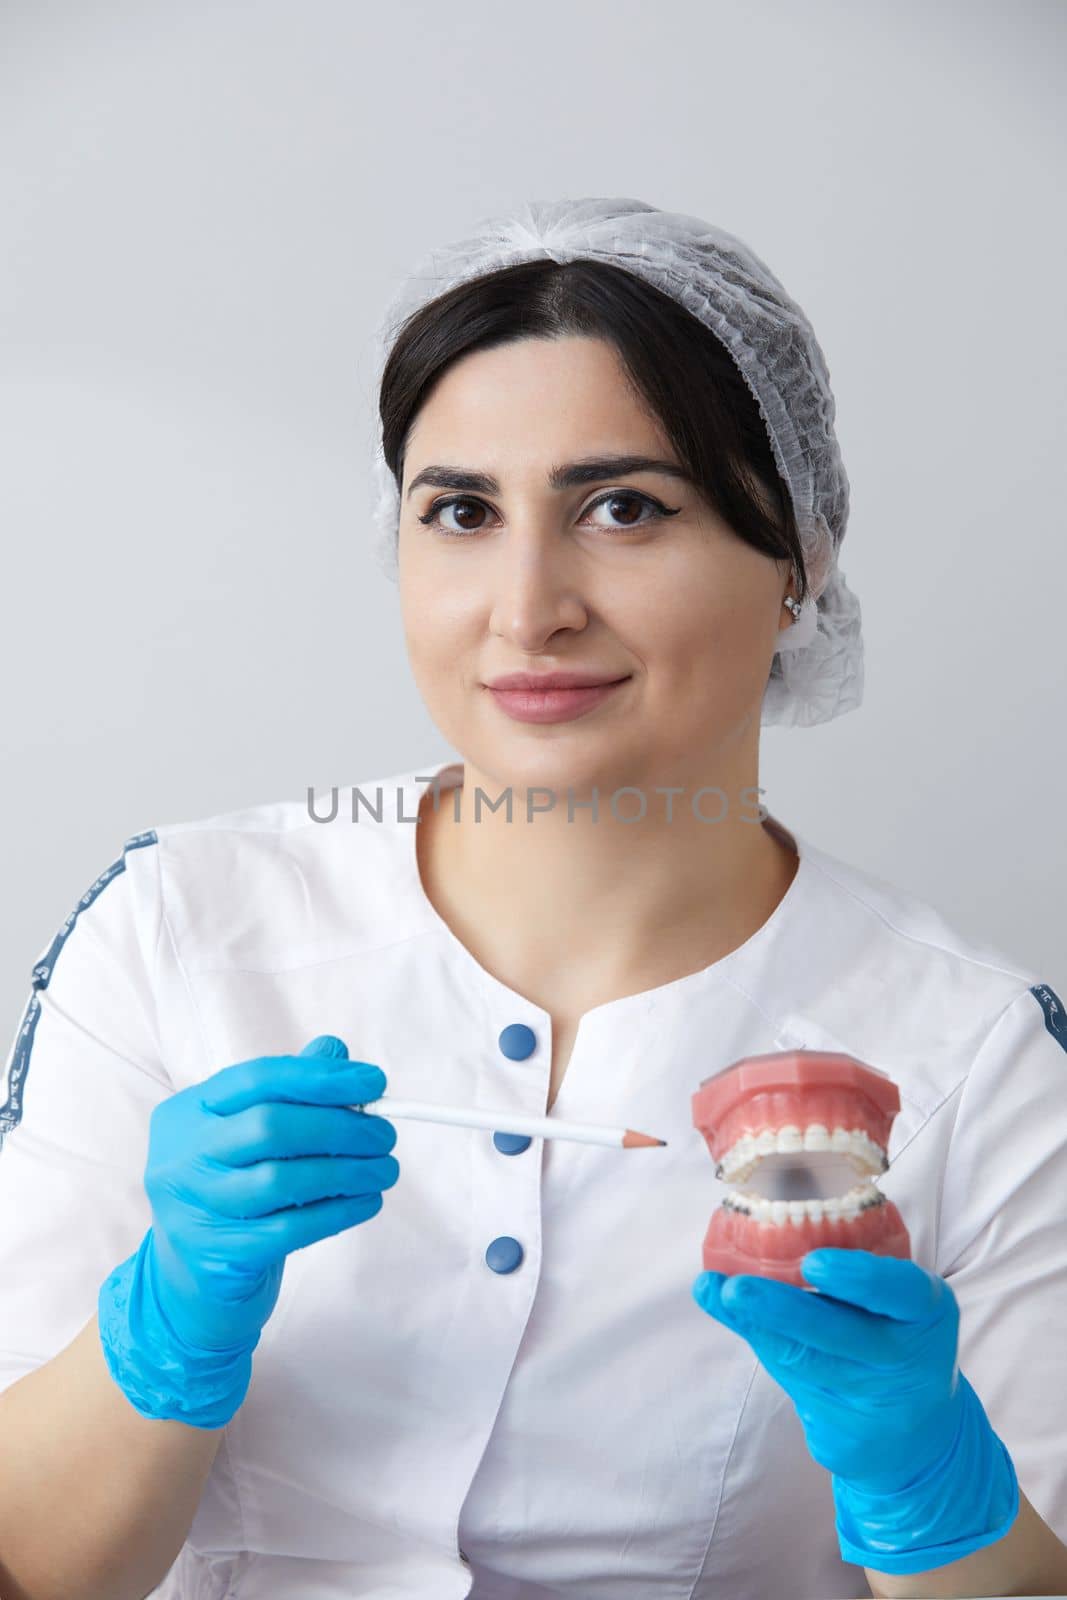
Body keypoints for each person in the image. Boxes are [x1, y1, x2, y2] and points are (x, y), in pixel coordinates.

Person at [1, 197, 1065, 1600]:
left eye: (624, 508)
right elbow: (38, 1569)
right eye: (459, 512)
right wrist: (161, 1328)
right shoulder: (182, 926)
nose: (527, 605)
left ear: (800, 557)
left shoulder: (976, 1057)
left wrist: (926, 1483)